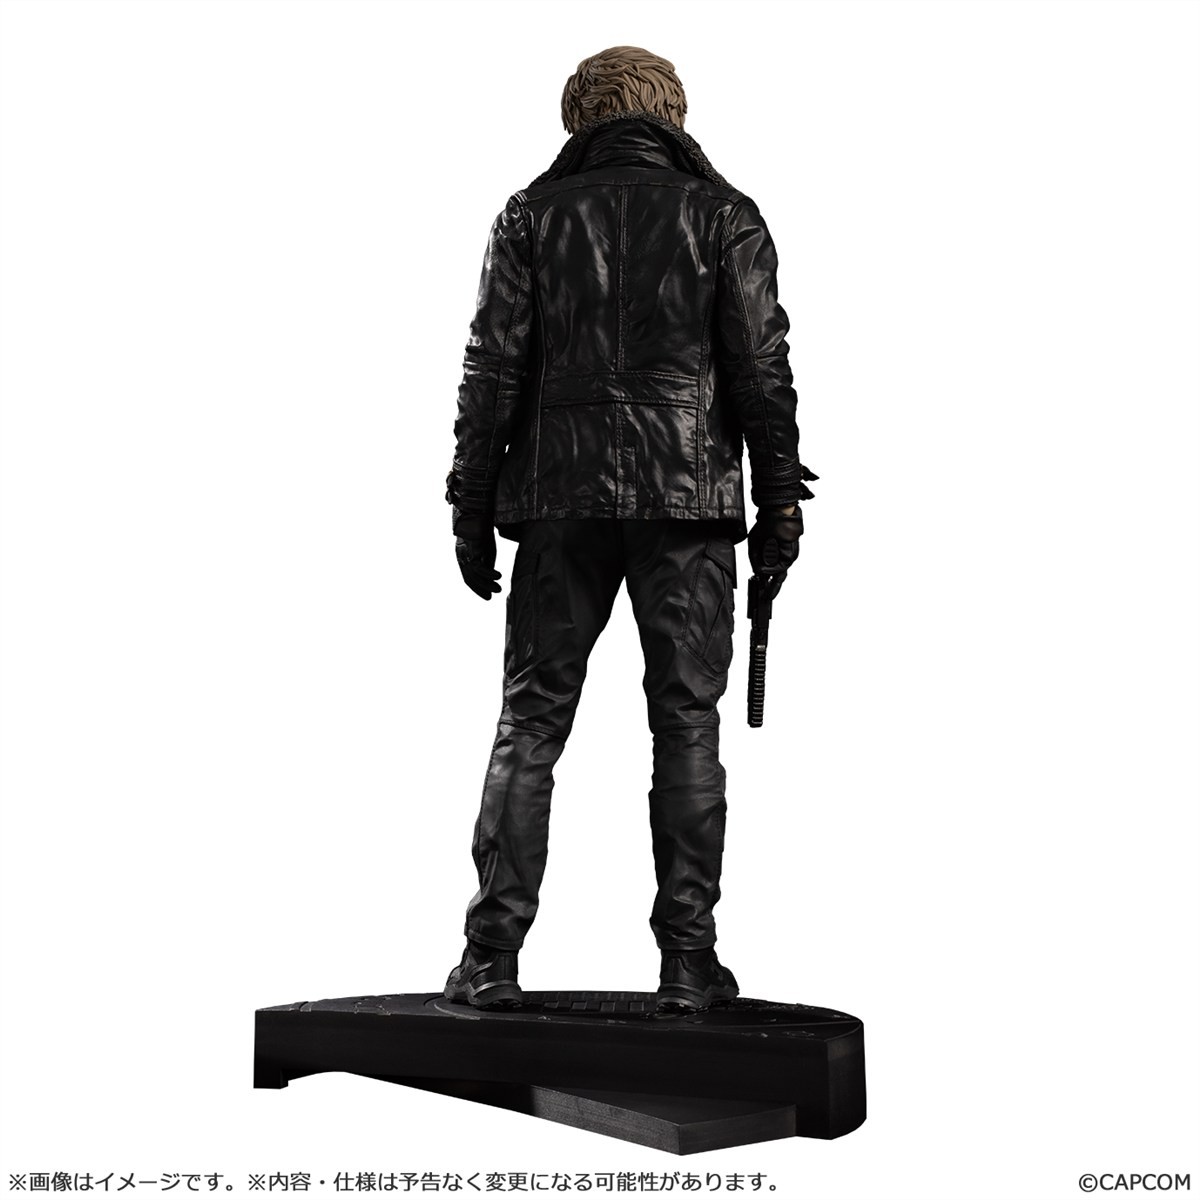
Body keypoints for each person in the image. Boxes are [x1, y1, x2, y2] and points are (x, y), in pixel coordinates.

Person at [442, 46, 816, 1012]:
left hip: (558, 499)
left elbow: (492, 369)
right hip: (688, 506)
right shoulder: (724, 214)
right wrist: (779, 502)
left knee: (529, 723)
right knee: (686, 724)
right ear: (672, 114)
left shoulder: (530, 214)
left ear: (580, 116)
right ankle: (689, 964)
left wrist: (469, 502)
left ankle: (489, 959)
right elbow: (762, 371)